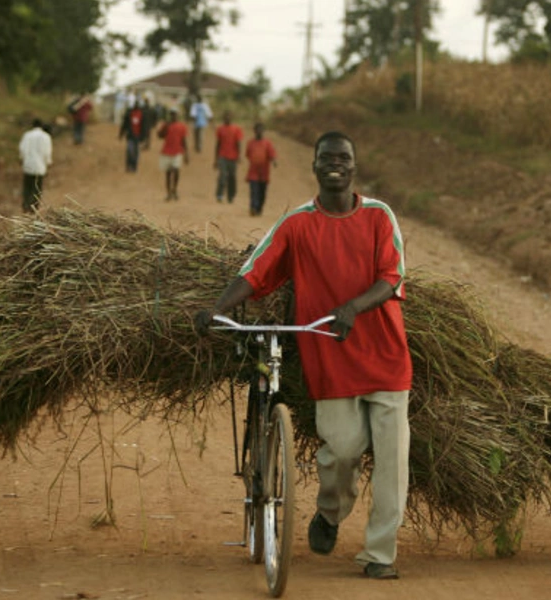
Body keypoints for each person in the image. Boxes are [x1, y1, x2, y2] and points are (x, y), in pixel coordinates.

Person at [195, 131, 412, 581]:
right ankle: (329, 514)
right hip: (329, 360)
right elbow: (256, 271)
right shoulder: (297, 224)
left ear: (354, 166)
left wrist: (352, 307)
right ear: (314, 167)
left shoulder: (378, 215)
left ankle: (379, 555)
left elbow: (392, 277)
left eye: (344, 157)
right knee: (341, 451)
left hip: (386, 358)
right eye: (327, 158)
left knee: (392, 463)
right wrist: (218, 310)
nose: (336, 164)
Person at [18, 118, 52, 214]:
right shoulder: (46, 137)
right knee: (37, 188)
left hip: (28, 165)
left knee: (27, 187)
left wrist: (21, 159)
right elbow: (47, 152)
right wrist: (48, 163)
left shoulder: (27, 135)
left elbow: (22, 149)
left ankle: (25, 205)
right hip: (40, 167)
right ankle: (34, 208)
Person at [244, 122, 277, 216]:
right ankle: (253, 207)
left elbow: (272, 154)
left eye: (261, 130)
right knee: (254, 191)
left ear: (263, 131)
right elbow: (248, 154)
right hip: (253, 172)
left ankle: (259, 208)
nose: (259, 132)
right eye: (257, 130)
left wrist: (274, 161)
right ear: (254, 131)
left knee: (262, 192)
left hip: (264, 172)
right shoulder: (250, 143)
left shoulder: (267, 143)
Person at [157, 108, 189, 201]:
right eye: (171, 114)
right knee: (168, 173)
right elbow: (160, 136)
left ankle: (174, 189)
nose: (173, 116)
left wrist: (186, 154)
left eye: (174, 114)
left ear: (177, 115)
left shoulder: (182, 126)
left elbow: (184, 141)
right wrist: (164, 127)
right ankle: (168, 193)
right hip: (166, 151)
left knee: (176, 170)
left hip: (177, 151)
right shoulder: (166, 125)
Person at [214, 110, 243, 204]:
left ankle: (231, 195)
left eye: (229, 117)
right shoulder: (220, 129)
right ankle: (219, 195)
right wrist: (215, 158)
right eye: (225, 117)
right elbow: (218, 144)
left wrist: (239, 155)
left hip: (233, 157)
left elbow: (238, 143)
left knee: (232, 177)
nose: (227, 118)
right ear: (223, 118)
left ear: (231, 118)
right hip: (222, 156)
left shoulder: (236, 129)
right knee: (222, 176)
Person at [119, 101, 145, 172]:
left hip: (137, 136)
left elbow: (144, 126)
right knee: (129, 151)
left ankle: (134, 167)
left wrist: (143, 137)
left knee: (136, 152)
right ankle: (128, 166)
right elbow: (124, 124)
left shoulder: (141, 114)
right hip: (130, 135)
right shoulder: (129, 114)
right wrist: (121, 134)